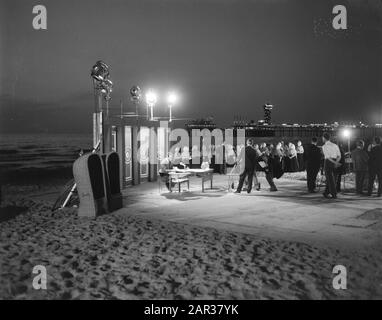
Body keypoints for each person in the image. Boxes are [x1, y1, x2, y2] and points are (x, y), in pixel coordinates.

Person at [322, 133, 342, 199]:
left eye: (322, 138)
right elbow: (339, 156)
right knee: (332, 179)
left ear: (324, 138)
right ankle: (326, 192)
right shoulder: (335, 145)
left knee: (330, 180)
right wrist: (336, 162)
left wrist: (335, 162)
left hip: (328, 163)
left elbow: (328, 157)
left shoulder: (324, 146)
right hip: (335, 161)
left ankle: (334, 194)